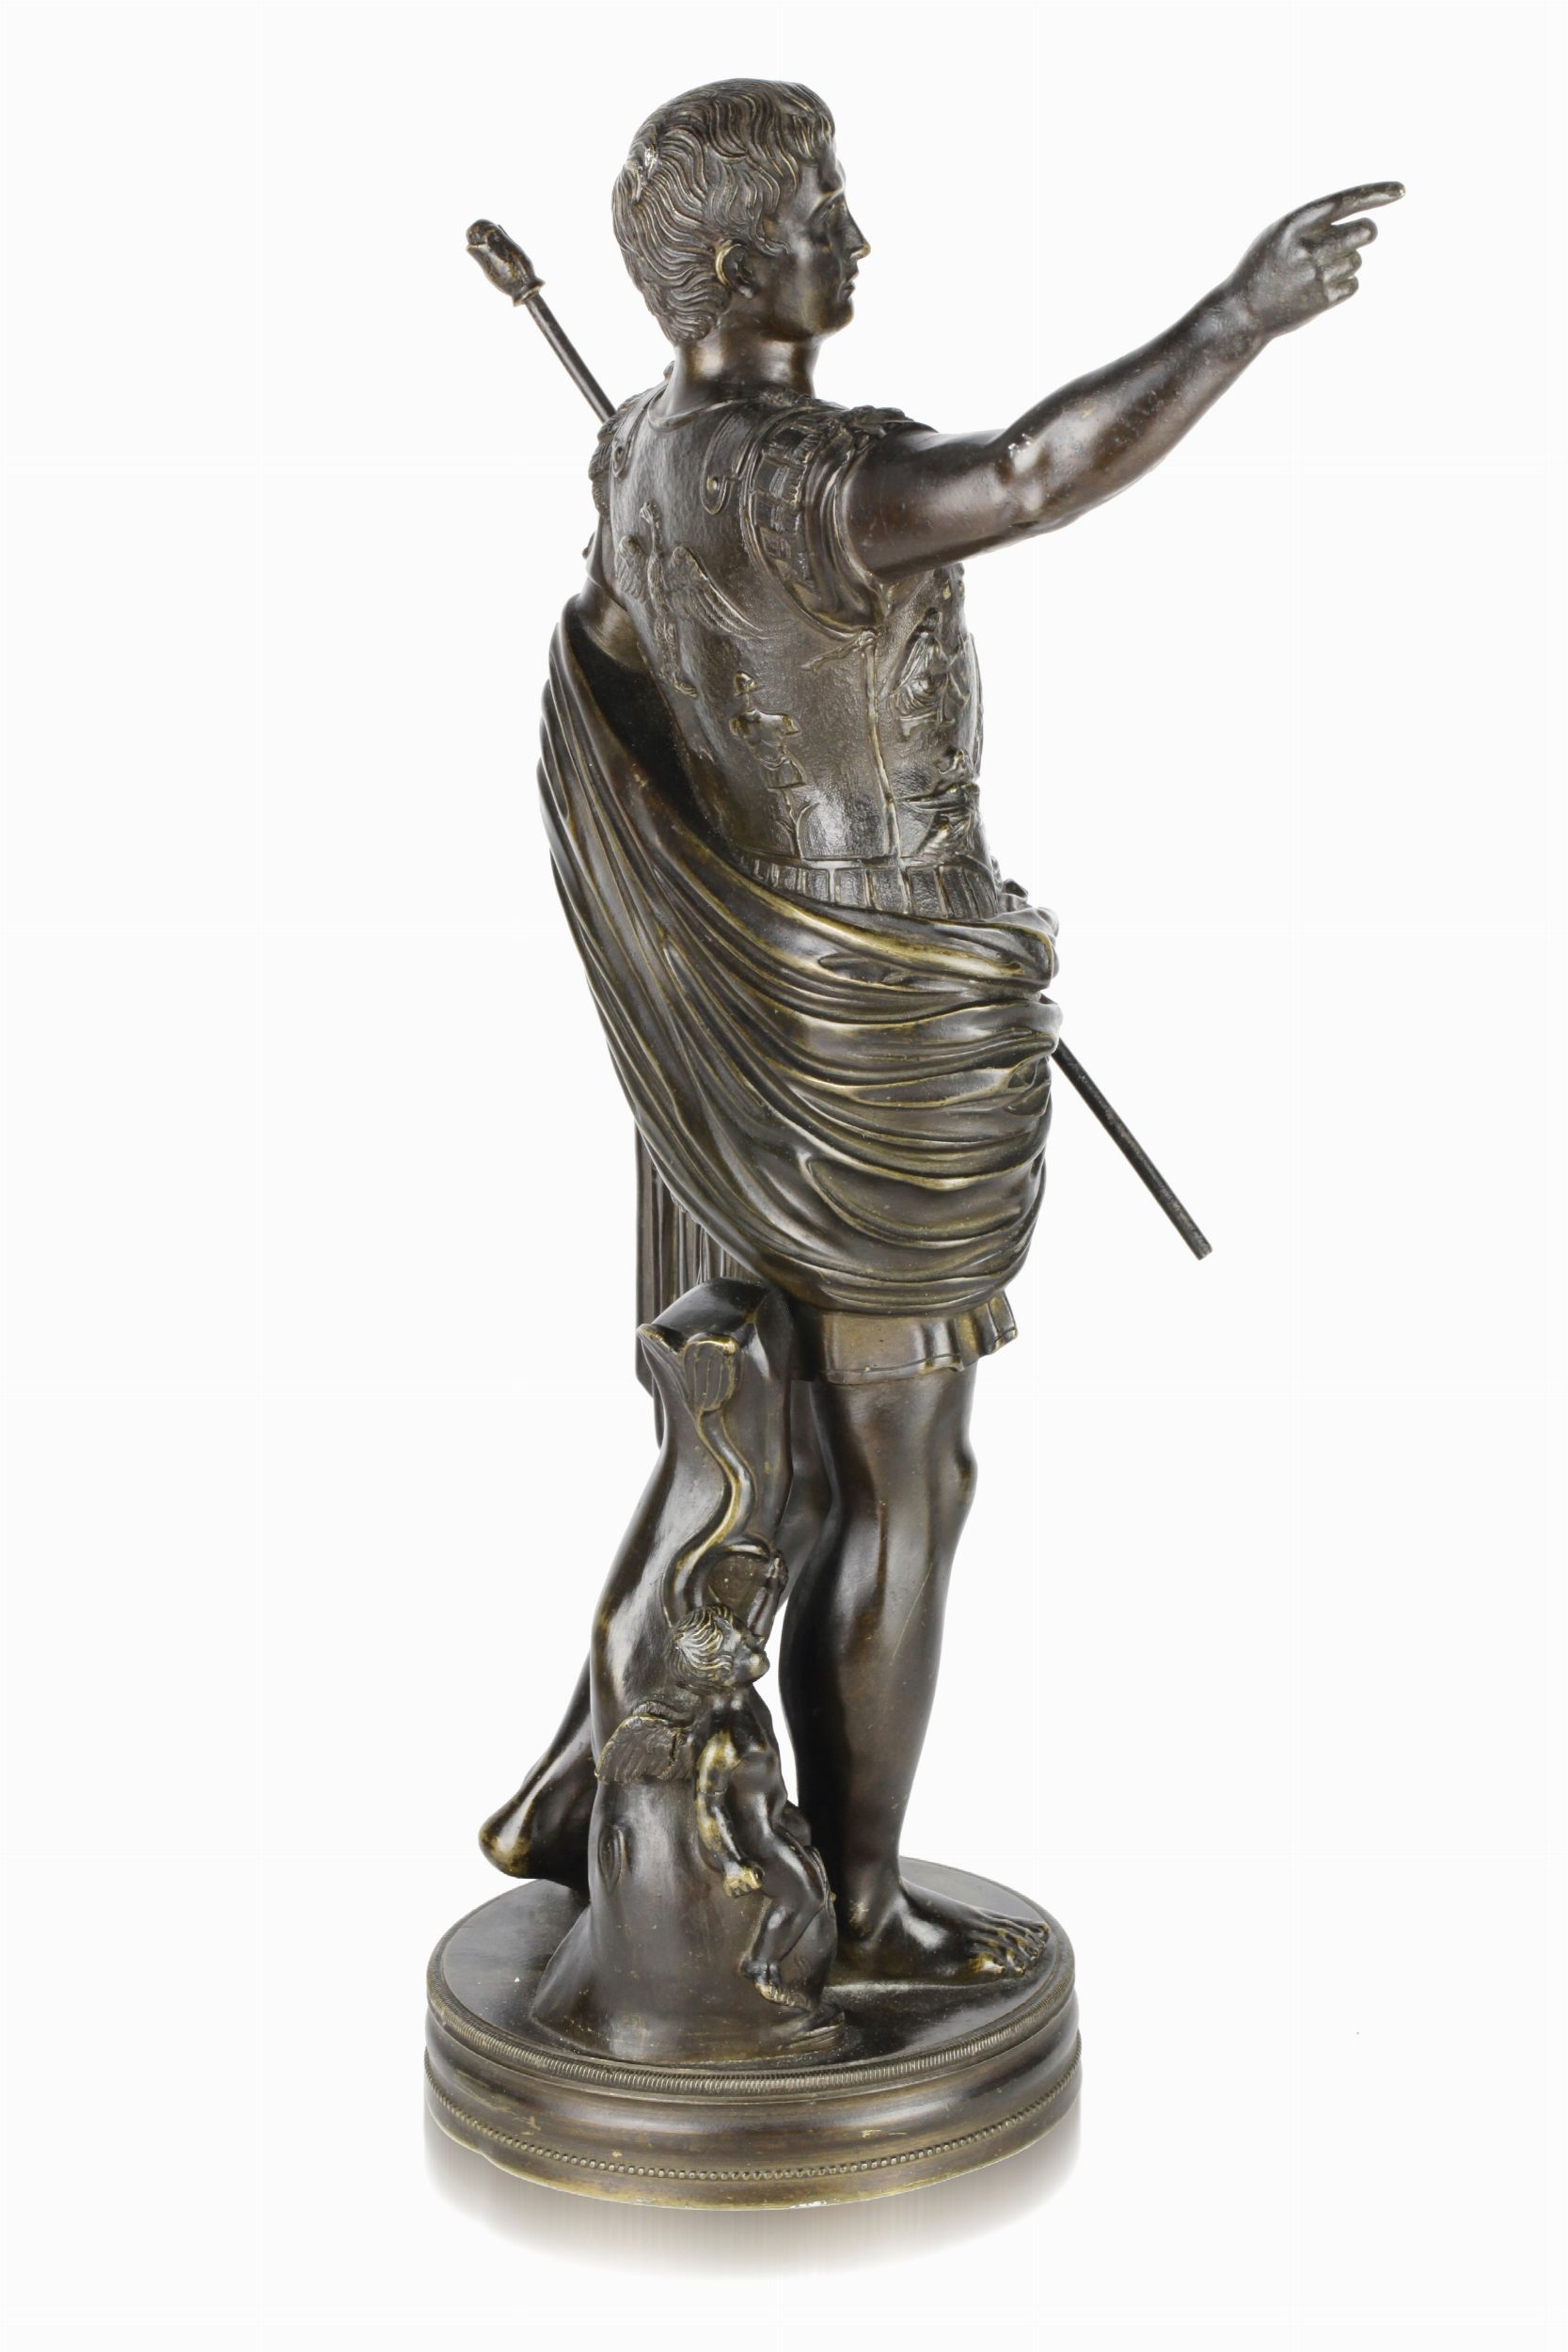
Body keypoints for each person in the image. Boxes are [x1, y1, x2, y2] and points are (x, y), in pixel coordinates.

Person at [510, 80, 1399, 1984]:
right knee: (904, 1467)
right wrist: (1238, 317)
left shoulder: (642, 454)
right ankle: (861, 1909)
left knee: (765, 1434)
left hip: (765, 998)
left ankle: (604, 1795)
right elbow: (1031, 477)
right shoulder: (801, 479)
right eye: (823, 214)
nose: (857, 242)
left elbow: (627, 665)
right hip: (868, 1009)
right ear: (736, 259)